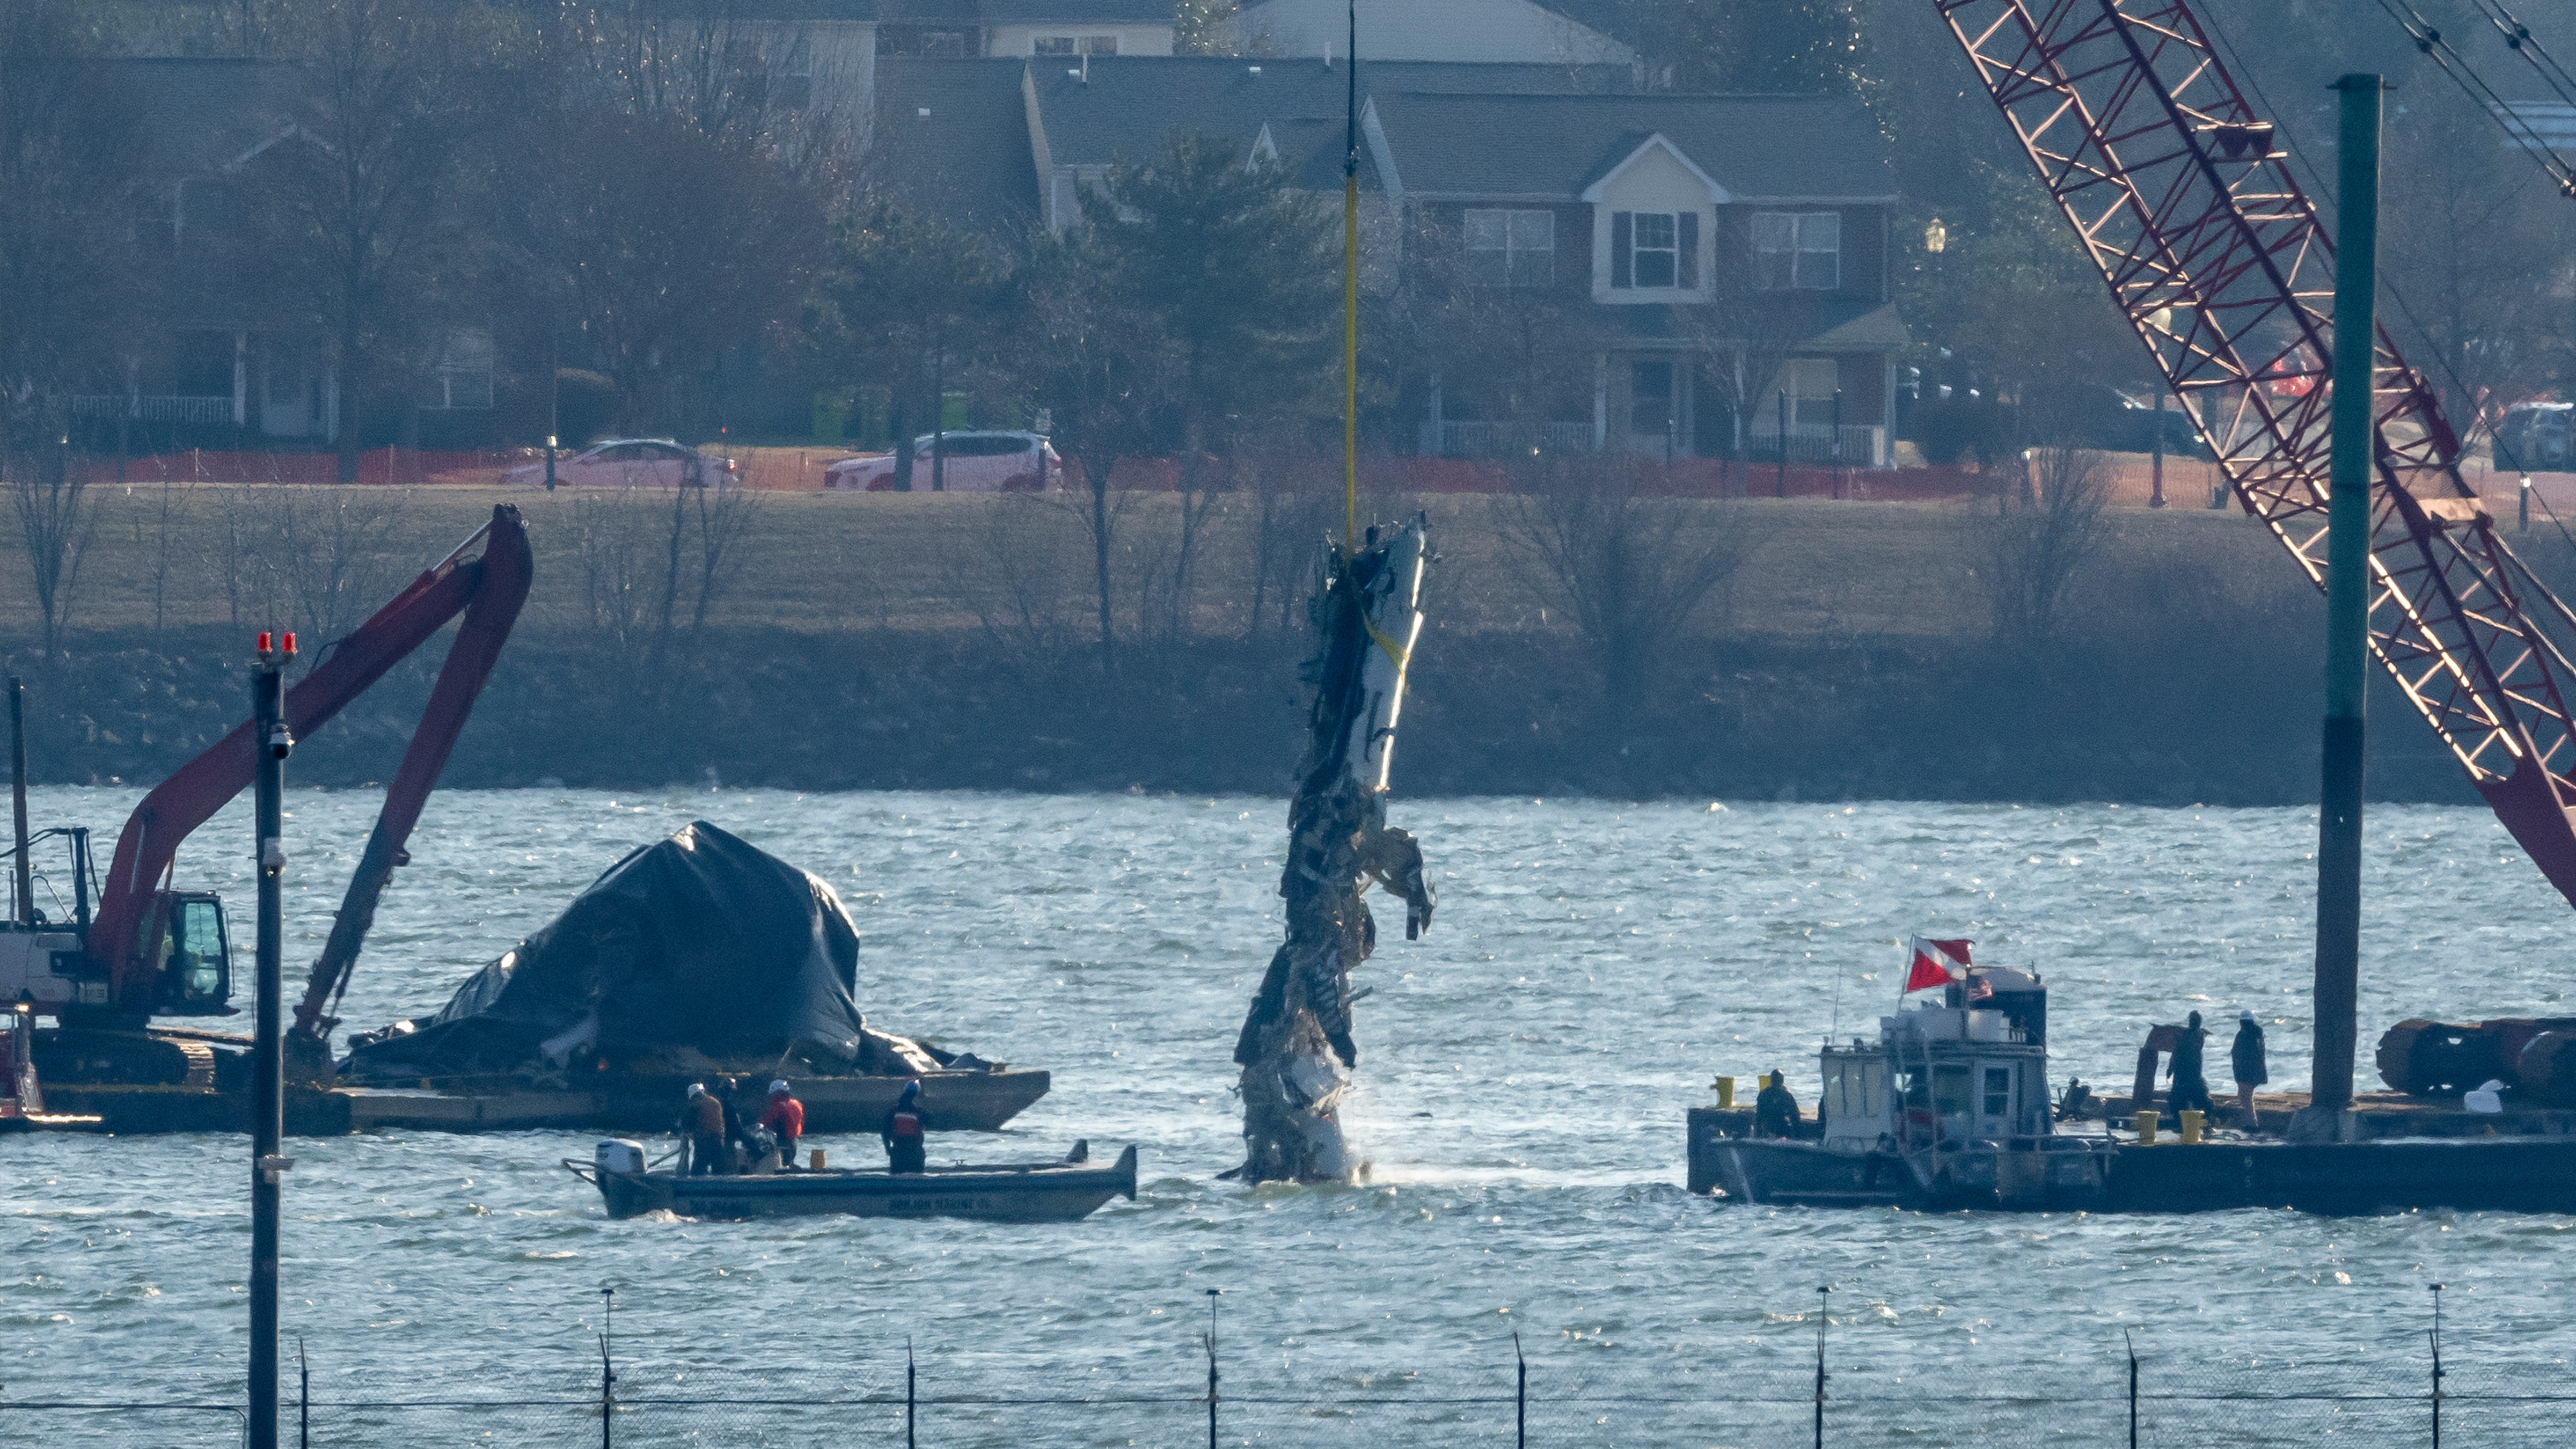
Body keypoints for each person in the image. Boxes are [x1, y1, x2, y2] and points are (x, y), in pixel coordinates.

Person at [2168, 1010, 2214, 1118]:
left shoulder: (2186, 1035)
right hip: (2191, 1075)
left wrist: (2170, 1069)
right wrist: (2171, 1068)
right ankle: (2203, 1122)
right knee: (2201, 1102)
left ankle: (2181, 1122)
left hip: (2185, 1074)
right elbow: (2177, 1052)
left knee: (2179, 1101)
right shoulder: (2199, 1035)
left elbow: (2176, 1053)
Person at [881, 1078, 930, 1173]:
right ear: (916, 1095)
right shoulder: (919, 1112)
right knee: (917, 1179)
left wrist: (888, 1149)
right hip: (914, 1151)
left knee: (896, 1180)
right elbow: (930, 1122)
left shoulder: (894, 1112)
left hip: (898, 1150)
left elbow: (885, 1132)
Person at [679, 1082, 726, 1176]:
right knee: (719, 1169)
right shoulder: (716, 1102)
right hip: (718, 1140)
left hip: (704, 1141)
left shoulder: (695, 1105)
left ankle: (695, 1189)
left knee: (698, 1170)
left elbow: (686, 1124)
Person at [2230, 1009, 2268, 1125]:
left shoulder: (2242, 1035)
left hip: (2244, 1072)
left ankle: (2252, 1121)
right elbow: (2262, 1053)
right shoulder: (2258, 1034)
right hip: (2256, 1071)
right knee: (2246, 1096)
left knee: (2245, 1097)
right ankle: (2250, 1120)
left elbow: (2237, 1053)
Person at [759, 1079, 805, 1168]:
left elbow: (769, 1123)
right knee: (789, 1164)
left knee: (781, 1165)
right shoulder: (797, 1104)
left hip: (781, 1142)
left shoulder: (777, 1106)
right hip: (793, 1142)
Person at [1753, 1069, 1801, 1138]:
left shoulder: (1764, 1093)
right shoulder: (1786, 1094)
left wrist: (1758, 1132)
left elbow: (1759, 1116)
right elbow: (1795, 1115)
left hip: (1769, 1127)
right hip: (1781, 1126)